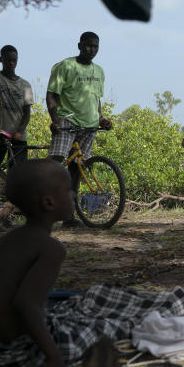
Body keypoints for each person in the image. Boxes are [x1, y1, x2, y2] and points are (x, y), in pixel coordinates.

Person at [0, 160, 184, 367]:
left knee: (79, 306)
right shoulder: (50, 248)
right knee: (105, 327)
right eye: (68, 190)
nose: (74, 194)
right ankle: (163, 310)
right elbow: (25, 304)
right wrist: (53, 358)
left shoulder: (3, 241)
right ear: (48, 203)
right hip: (21, 356)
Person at [46, 32, 112, 227]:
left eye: (95, 47)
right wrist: (54, 119)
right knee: (56, 164)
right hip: (67, 121)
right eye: (88, 46)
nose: (92, 50)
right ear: (79, 46)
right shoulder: (65, 66)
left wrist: (101, 119)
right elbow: (51, 95)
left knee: (77, 169)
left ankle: (69, 216)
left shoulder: (99, 71)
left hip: (89, 126)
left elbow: (96, 100)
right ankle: (43, 206)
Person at [0, 45, 33, 168]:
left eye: (14, 60)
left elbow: (27, 113)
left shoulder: (25, 85)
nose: (11, 63)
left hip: (19, 137)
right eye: (8, 60)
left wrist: (19, 132)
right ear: (1, 60)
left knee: (16, 174)